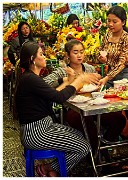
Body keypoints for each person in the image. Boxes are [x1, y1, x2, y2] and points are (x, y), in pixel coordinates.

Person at [14, 41, 91, 177]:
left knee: (80, 135)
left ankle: (54, 168)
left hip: (43, 127)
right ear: (33, 59)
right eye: (41, 54)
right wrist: (77, 83)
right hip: (36, 133)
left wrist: (68, 82)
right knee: (84, 147)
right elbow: (59, 97)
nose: (44, 57)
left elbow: (51, 95)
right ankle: (48, 168)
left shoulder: (31, 78)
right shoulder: (31, 79)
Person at [44, 39, 126, 154]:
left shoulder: (90, 69)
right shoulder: (63, 71)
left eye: (81, 52)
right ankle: (93, 155)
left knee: (119, 119)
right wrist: (67, 79)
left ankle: (102, 147)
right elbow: (45, 83)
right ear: (68, 55)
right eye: (75, 52)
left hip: (94, 105)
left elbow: (97, 87)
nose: (79, 55)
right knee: (87, 124)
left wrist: (98, 84)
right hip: (74, 109)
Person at [98, 5, 128, 138]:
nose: (110, 24)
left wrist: (107, 77)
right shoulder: (107, 35)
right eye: (108, 21)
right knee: (108, 111)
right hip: (110, 77)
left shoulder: (127, 39)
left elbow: (122, 63)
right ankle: (109, 144)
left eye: (114, 21)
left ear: (123, 22)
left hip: (126, 76)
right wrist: (102, 59)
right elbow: (104, 55)